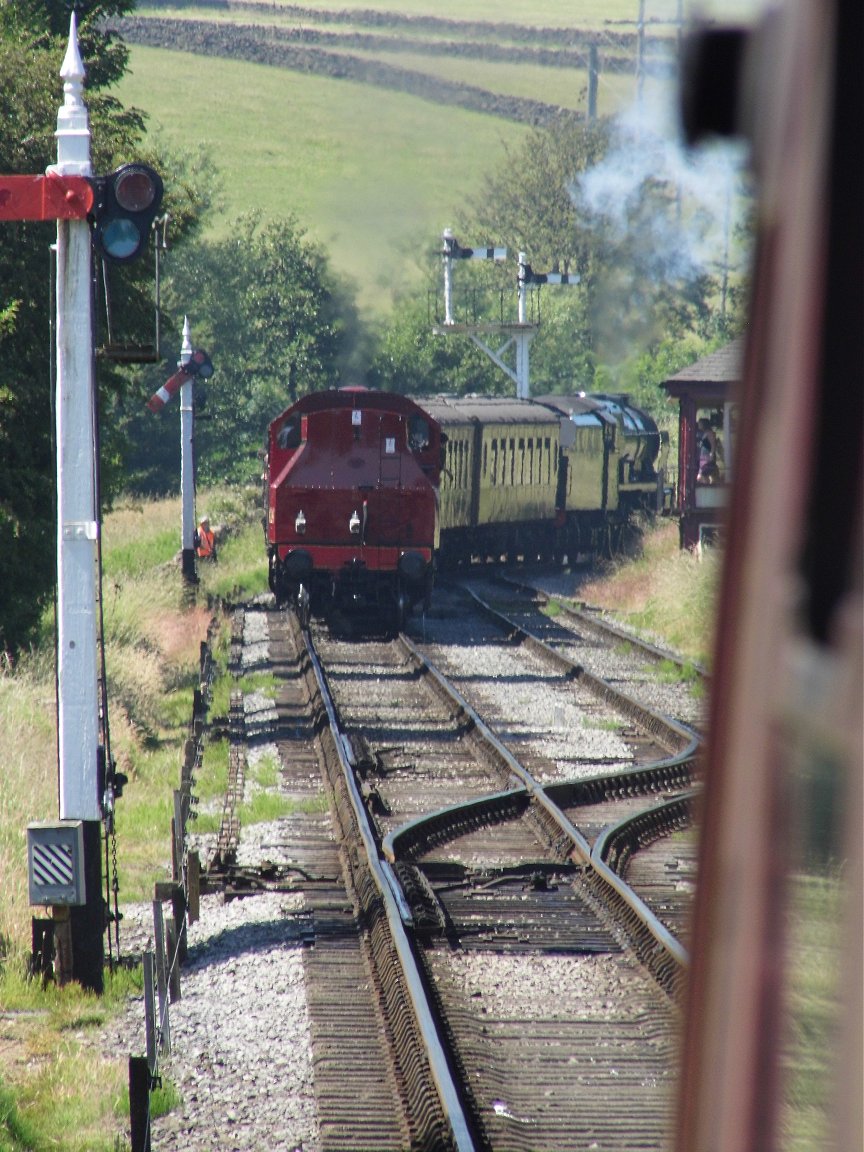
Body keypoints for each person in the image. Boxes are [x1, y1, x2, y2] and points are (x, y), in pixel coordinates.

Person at [696, 418, 719, 484]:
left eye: (700, 423)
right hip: (703, 458)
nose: (699, 424)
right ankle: (706, 484)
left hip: (707, 458)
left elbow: (713, 444)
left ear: (704, 424)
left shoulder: (709, 433)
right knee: (701, 476)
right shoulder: (703, 433)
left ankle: (707, 485)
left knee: (703, 475)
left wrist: (711, 454)